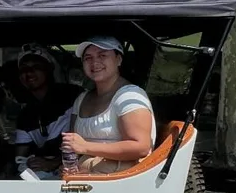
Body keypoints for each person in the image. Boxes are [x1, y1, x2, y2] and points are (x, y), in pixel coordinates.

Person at [61, 37, 156, 175]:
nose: (95, 62)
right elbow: (73, 145)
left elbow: (140, 147)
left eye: (102, 55)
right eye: (88, 58)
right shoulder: (81, 99)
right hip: (83, 179)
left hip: (119, 182)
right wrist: (68, 166)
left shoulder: (130, 96)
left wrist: (86, 147)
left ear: (119, 59)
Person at [13, 45, 83, 179]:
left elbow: (92, 138)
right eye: (24, 69)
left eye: (36, 67)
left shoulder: (74, 96)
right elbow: (20, 156)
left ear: (49, 69)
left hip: (77, 172)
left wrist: (54, 163)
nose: (29, 73)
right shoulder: (26, 114)